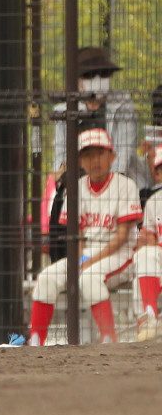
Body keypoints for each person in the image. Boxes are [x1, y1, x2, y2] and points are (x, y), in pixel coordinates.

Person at [26, 129, 141, 345]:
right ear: (80, 160)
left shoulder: (125, 185)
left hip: (122, 255)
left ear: (112, 156)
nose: (94, 160)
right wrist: (80, 260)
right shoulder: (77, 188)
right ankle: (35, 341)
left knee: (89, 278)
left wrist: (87, 263)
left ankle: (108, 339)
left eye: (100, 153)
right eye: (87, 155)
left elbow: (123, 236)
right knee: (46, 278)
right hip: (87, 254)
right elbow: (76, 235)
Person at [51, 46, 147, 189]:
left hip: (120, 185)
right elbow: (60, 157)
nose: (98, 79)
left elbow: (123, 155)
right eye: (89, 76)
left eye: (104, 74)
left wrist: (104, 187)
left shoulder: (123, 106)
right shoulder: (64, 112)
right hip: (78, 187)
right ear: (77, 81)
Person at [132, 146, 162, 341]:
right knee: (143, 255)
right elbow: (150, 237)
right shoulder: (154, 201)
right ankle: (150, 317)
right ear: (157, 174)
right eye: (160, 169)